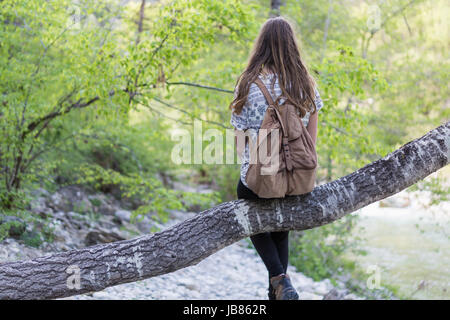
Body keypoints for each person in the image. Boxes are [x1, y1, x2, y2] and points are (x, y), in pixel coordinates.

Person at [229, 17, 324, 300]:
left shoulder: (248, 82)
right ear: (291, 44)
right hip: (296, 173)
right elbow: (311, 138)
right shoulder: (306, 83)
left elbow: (239, 137)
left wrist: (252, 165)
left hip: (262, 171)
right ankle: (279, 289)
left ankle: (279, 279)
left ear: (262, 45)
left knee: (247, 210)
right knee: (281, 226)